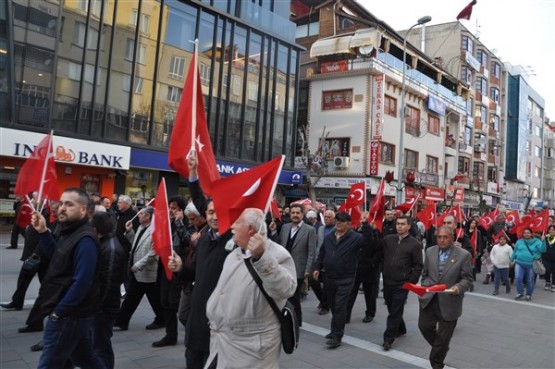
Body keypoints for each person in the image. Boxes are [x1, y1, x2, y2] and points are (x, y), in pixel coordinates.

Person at [204, 208, 297, 368]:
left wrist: (262, 257)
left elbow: (286, 289)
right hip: (223, 342)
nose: (231, 226)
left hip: (252, 348)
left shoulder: (278, 253)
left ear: (250, 229)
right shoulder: (234, 253)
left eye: (237, 222)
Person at [167, 151, 234, 369]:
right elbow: (193, 272)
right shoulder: (204, 238)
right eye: (211, 212)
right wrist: (180, 268)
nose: (214, 216)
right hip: (197, 322)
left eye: (220, 212)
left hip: (221, 324)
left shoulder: (236, 242)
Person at [30, 188, 104, 369]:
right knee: (86, 359)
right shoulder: (69, 231)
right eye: (61, 203)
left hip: (69, 316)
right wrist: (43, 232)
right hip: (70, 313)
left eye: (69, 204)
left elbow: (83, 282)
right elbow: (58, 257)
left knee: (49, 364)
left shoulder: (85, 239)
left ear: (83, 210)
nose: (62, 208)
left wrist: (59, 312)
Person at [312, 212, 371, 348]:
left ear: (349, 224)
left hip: (346, 278)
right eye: (337, 220)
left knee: (339, 306)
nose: (338, 223)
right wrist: (316, 267)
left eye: (342, 221)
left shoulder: (355, 238)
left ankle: (337, 336)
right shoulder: (329, 237)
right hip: (329, 277)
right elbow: (322, 254)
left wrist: (366, 224)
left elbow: (368, 242)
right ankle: (334, 331)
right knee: (333, 306)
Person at [418, 226, 474, 369]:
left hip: (450, 300)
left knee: (444, 336)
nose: (442, 240)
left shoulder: (463, 255)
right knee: (424, 327)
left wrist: (458, 288)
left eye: (445, 237)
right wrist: (424, 286)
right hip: (429, 298)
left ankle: (436, 363)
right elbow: (425, 274)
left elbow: (467, 279)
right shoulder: (430, 251)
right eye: (439, 237)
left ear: (452, 237)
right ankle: (441, 347)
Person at [114, 206, 165, 330]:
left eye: (141, 214)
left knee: (150, 298)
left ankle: (161, 319)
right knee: (133, 297)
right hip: (138, 272)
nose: (138, 215)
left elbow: (154, 252)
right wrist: (129, 231)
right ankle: (122, 321)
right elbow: (136, 245)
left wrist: (139, 264)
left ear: (148, 217)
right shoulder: (141, 227)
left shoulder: (155, 230)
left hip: (147, 270)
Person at [152, 195, 190, 347]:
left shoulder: (187, 222)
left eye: (175, 208)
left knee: (174, 303)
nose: (171, 210)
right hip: (165, 265)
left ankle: (184, 333)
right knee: (164, 301)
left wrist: (180, 222)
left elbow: (188, 241)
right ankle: (170, 334)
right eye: (170, 207)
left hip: (179, 267)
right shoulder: (168, 223)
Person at [381, 215, 423, 351]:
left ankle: (388, 338)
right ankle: (401, 328)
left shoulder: (415, 243)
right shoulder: (388, 239)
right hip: (388, 280)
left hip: (402, 283)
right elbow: (376, 247)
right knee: (391, 307)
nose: (399, 226)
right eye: (398, 224)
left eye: (403, 224)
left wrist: (410, 281)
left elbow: (418, 265)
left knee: (394, 311)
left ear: (409, 226)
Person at [90, 211, 126, 369]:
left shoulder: (110, 248)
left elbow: (108, 282)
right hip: (102, 306)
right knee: (97, 344)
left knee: (101, 346)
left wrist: (97, 306)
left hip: (104, 308)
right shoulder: (105, 243)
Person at [276, 204, 317, 326]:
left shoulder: (310, 230)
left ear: (302, 215)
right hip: (283, 267)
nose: (295, 215)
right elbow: (279, 245)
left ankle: (297, 320)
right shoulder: (285, 227)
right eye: (293, 213)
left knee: (293, 296)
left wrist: (308, 270)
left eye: (297, 213)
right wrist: (273, 231)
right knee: (285, 295)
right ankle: (288, 317)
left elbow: (311, 252)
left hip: (298, 268)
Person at [346, 212, 383, 324]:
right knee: (351, 293)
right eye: (362, 217)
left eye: (365, 218)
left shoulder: (376, 233)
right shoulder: (356, 231)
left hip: (369, 269)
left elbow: (378, 250)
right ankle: (346, 315)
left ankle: (370, 313)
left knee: (369, 294)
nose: (362, 220)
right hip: (356, 268)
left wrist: (372, 263)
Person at [310, 209, 336, 315]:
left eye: (329, 217)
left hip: (329, 260)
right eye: (325, 217)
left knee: (326, 284)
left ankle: (325, 306)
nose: (326, 218)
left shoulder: (336, 230)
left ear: (334, 219)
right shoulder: (320, 228)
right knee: (312, 280)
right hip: (319, 258)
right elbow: (317, 242)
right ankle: (323, 300)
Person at [510, 228, 546, 301]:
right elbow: (515, 251)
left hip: (531, 265)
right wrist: (511, 260)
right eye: (525, 233)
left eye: (528, 233)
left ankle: (528, 294)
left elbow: (543, 250)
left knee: (529, 280)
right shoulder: (519, 241)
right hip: (519, 263)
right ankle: (520, 292)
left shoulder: (537, 241)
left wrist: (543, 241)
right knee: (518, 278)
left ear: (532, 234)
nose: (526, 234)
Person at [542, 225, 555, 292]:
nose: (551, 231)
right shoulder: (545, 237)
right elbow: (542, 247)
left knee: (554, 271)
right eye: (550, 229)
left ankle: (553, 284)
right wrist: (542, 240)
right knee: (547, 270)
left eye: (553, 230)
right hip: (546, 257)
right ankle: (547, 282)